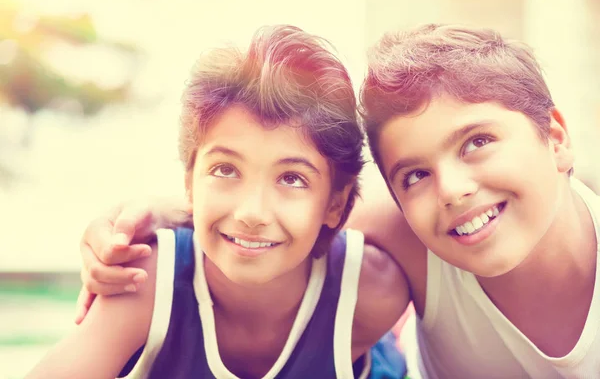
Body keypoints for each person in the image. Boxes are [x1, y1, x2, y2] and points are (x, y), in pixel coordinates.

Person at [76, 24, 600, 378]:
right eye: (414, 174)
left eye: (478, 142)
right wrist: (128, 222)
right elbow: (269, 212)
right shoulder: (410, 229)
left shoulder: (430, 219)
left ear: (555, 137)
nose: (453, 188)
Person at [27, 25, 408, 379]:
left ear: (335, 205)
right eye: (225, 170)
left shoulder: (371, 292)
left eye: (292, 178)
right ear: (189, 182)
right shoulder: (148, 279)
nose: (251, 213)